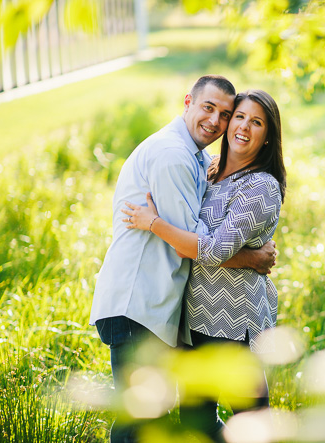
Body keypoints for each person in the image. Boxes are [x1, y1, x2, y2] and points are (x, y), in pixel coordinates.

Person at [89, 76, 277, 443]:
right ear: (188, 102)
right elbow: (192, 244)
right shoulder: (175, 156)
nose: (218, 122)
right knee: (138, 421)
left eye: (226, 113)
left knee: (180, 419)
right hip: (139, 305)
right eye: (211, 109)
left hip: (187, 314)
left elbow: (207, 241)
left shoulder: (202, 160)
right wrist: (252, 257)